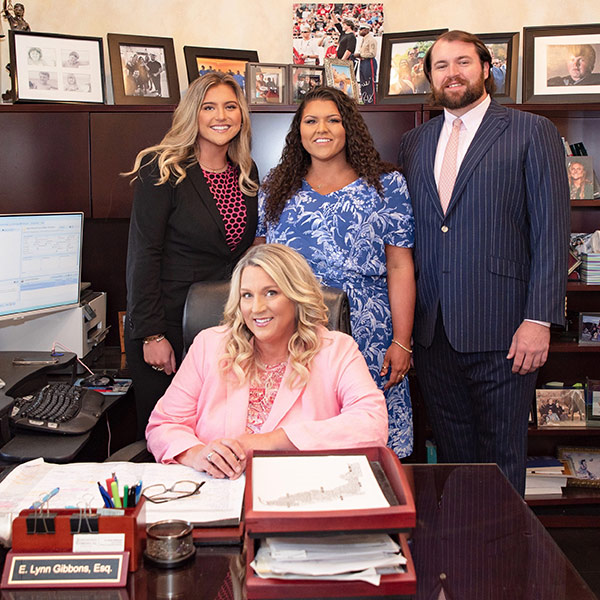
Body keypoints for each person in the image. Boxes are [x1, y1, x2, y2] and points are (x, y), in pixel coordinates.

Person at [397, 30, 570, 495]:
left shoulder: (532, 131)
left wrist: (540, 319)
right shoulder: (414, 143)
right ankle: (461, 562)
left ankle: (504, 563)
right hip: (433, 335)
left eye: (463, 62)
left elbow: (551, 233)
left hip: (506, 331)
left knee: (500, 459)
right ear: (430, 77)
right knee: (453, 461)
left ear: (486, 69)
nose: (452, 73)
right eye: (440, 65)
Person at [257, 86, 416, 458]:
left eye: (333, 119)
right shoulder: (276, 188)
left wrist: (403, 340)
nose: (321, 129)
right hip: (295, 334)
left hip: (369, 334)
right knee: (300, 440)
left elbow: (399, 265)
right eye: (310, 120)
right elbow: (259, 264)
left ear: (349, 129)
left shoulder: (387, 185)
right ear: (299, 131)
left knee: (369, 443)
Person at [146, 244, 388, 476]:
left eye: (270, 293)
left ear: (296, 296)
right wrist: (197, 455)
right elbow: (163, 425)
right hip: (221, 495)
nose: (256, 308)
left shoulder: (336, 350)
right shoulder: (209, 345)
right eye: (247, 296)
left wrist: (269, 442)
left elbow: (372, 424)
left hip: (302, 495)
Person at [124, 71, 259, 439]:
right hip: (166, 324)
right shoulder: (162, 168)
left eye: (231, 106)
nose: (221, 115)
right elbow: (143, 254)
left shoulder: (245, 173)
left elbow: (236, 251)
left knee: (215, 435)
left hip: (221, 326)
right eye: (209, 106)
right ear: (192, 114)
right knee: (167, 437)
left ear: (242, 115)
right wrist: (151, 334)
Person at [356, 22, 377, 104]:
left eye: (361, 29)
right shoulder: (363, 40)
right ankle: (366, 101)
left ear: (366, 30)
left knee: (369, 82)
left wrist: (360, 54)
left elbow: (372, 53)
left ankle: (372, 102)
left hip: (369, 62)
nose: (359, 31)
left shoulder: (371, 40)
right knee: (363, 83)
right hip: (363, 61)